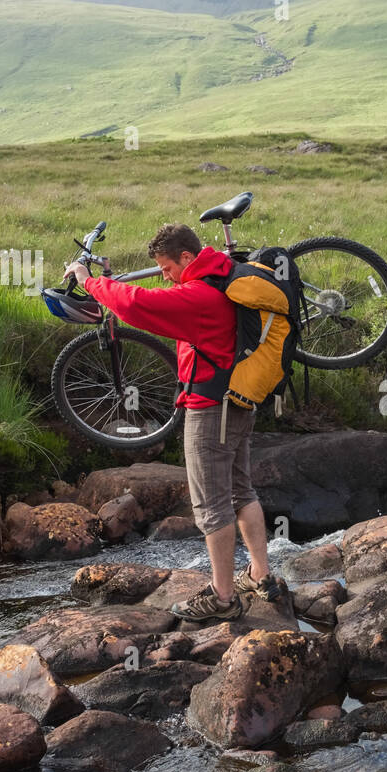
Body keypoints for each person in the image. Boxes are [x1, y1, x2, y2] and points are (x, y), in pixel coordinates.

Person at [64, 223, 284, 620]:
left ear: (186, 257)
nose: (163, 276)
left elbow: (136, 305)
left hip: (210, 407)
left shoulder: (199, 296)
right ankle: (260, 575)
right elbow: (153, 298)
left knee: (211, 507)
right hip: (239, 398)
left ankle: (222, 597)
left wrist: (89, 281)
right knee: (240, 490)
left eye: (166, 268)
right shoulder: (222, 272)